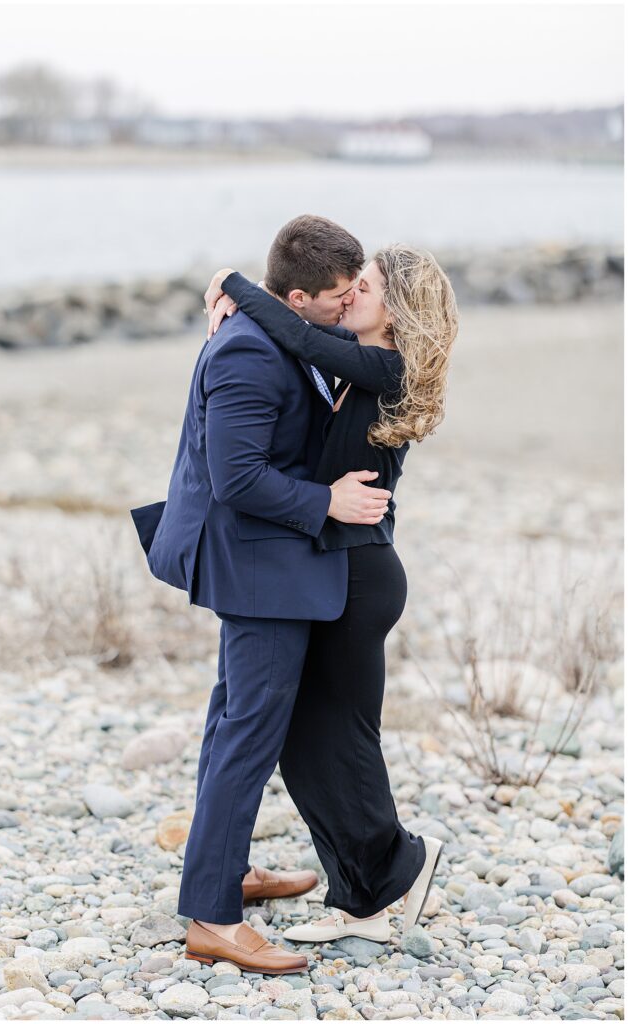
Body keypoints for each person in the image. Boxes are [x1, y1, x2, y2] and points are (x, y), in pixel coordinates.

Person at [129, 215, 395, 974]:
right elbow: (234, 477)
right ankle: (211, 917)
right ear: (301, 295)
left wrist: (228, 284)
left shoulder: (281, 327)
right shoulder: (248, 349)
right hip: (259, 572)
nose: (349, 307)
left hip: (269, 566)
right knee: (249, 733)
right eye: (340, 296)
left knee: (230, 723)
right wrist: (325, 503)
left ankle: (224, 872)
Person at [202, 241, 459, 944]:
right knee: (313, 737)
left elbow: (290, 328)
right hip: (341, 567)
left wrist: (230, 283)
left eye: (365, 290)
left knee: (334, 738)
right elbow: (295, 334)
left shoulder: (382, 365)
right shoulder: (356, 363)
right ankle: (360, 898)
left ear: (395, 314)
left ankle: (396, 865)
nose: (349, 298)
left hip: (359, 575)